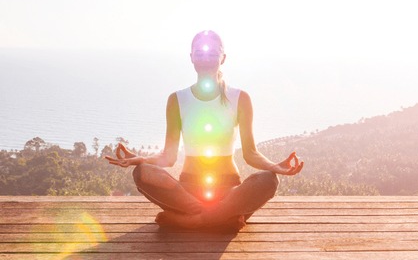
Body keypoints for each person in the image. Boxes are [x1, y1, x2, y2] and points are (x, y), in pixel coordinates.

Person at [105, 30, 303, 230]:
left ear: (223, 58)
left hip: (229, 192)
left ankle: (192, 221)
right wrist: (141, 159)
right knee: (142, 173)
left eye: (212, 53)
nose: (205, 58)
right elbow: (168, 156)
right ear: (191, 57)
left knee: (269, 180)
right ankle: (220, 219)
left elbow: (250, 154)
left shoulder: (240, 98)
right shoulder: (177, 100)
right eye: (199, 53)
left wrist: (275, 167)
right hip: (186, 192)